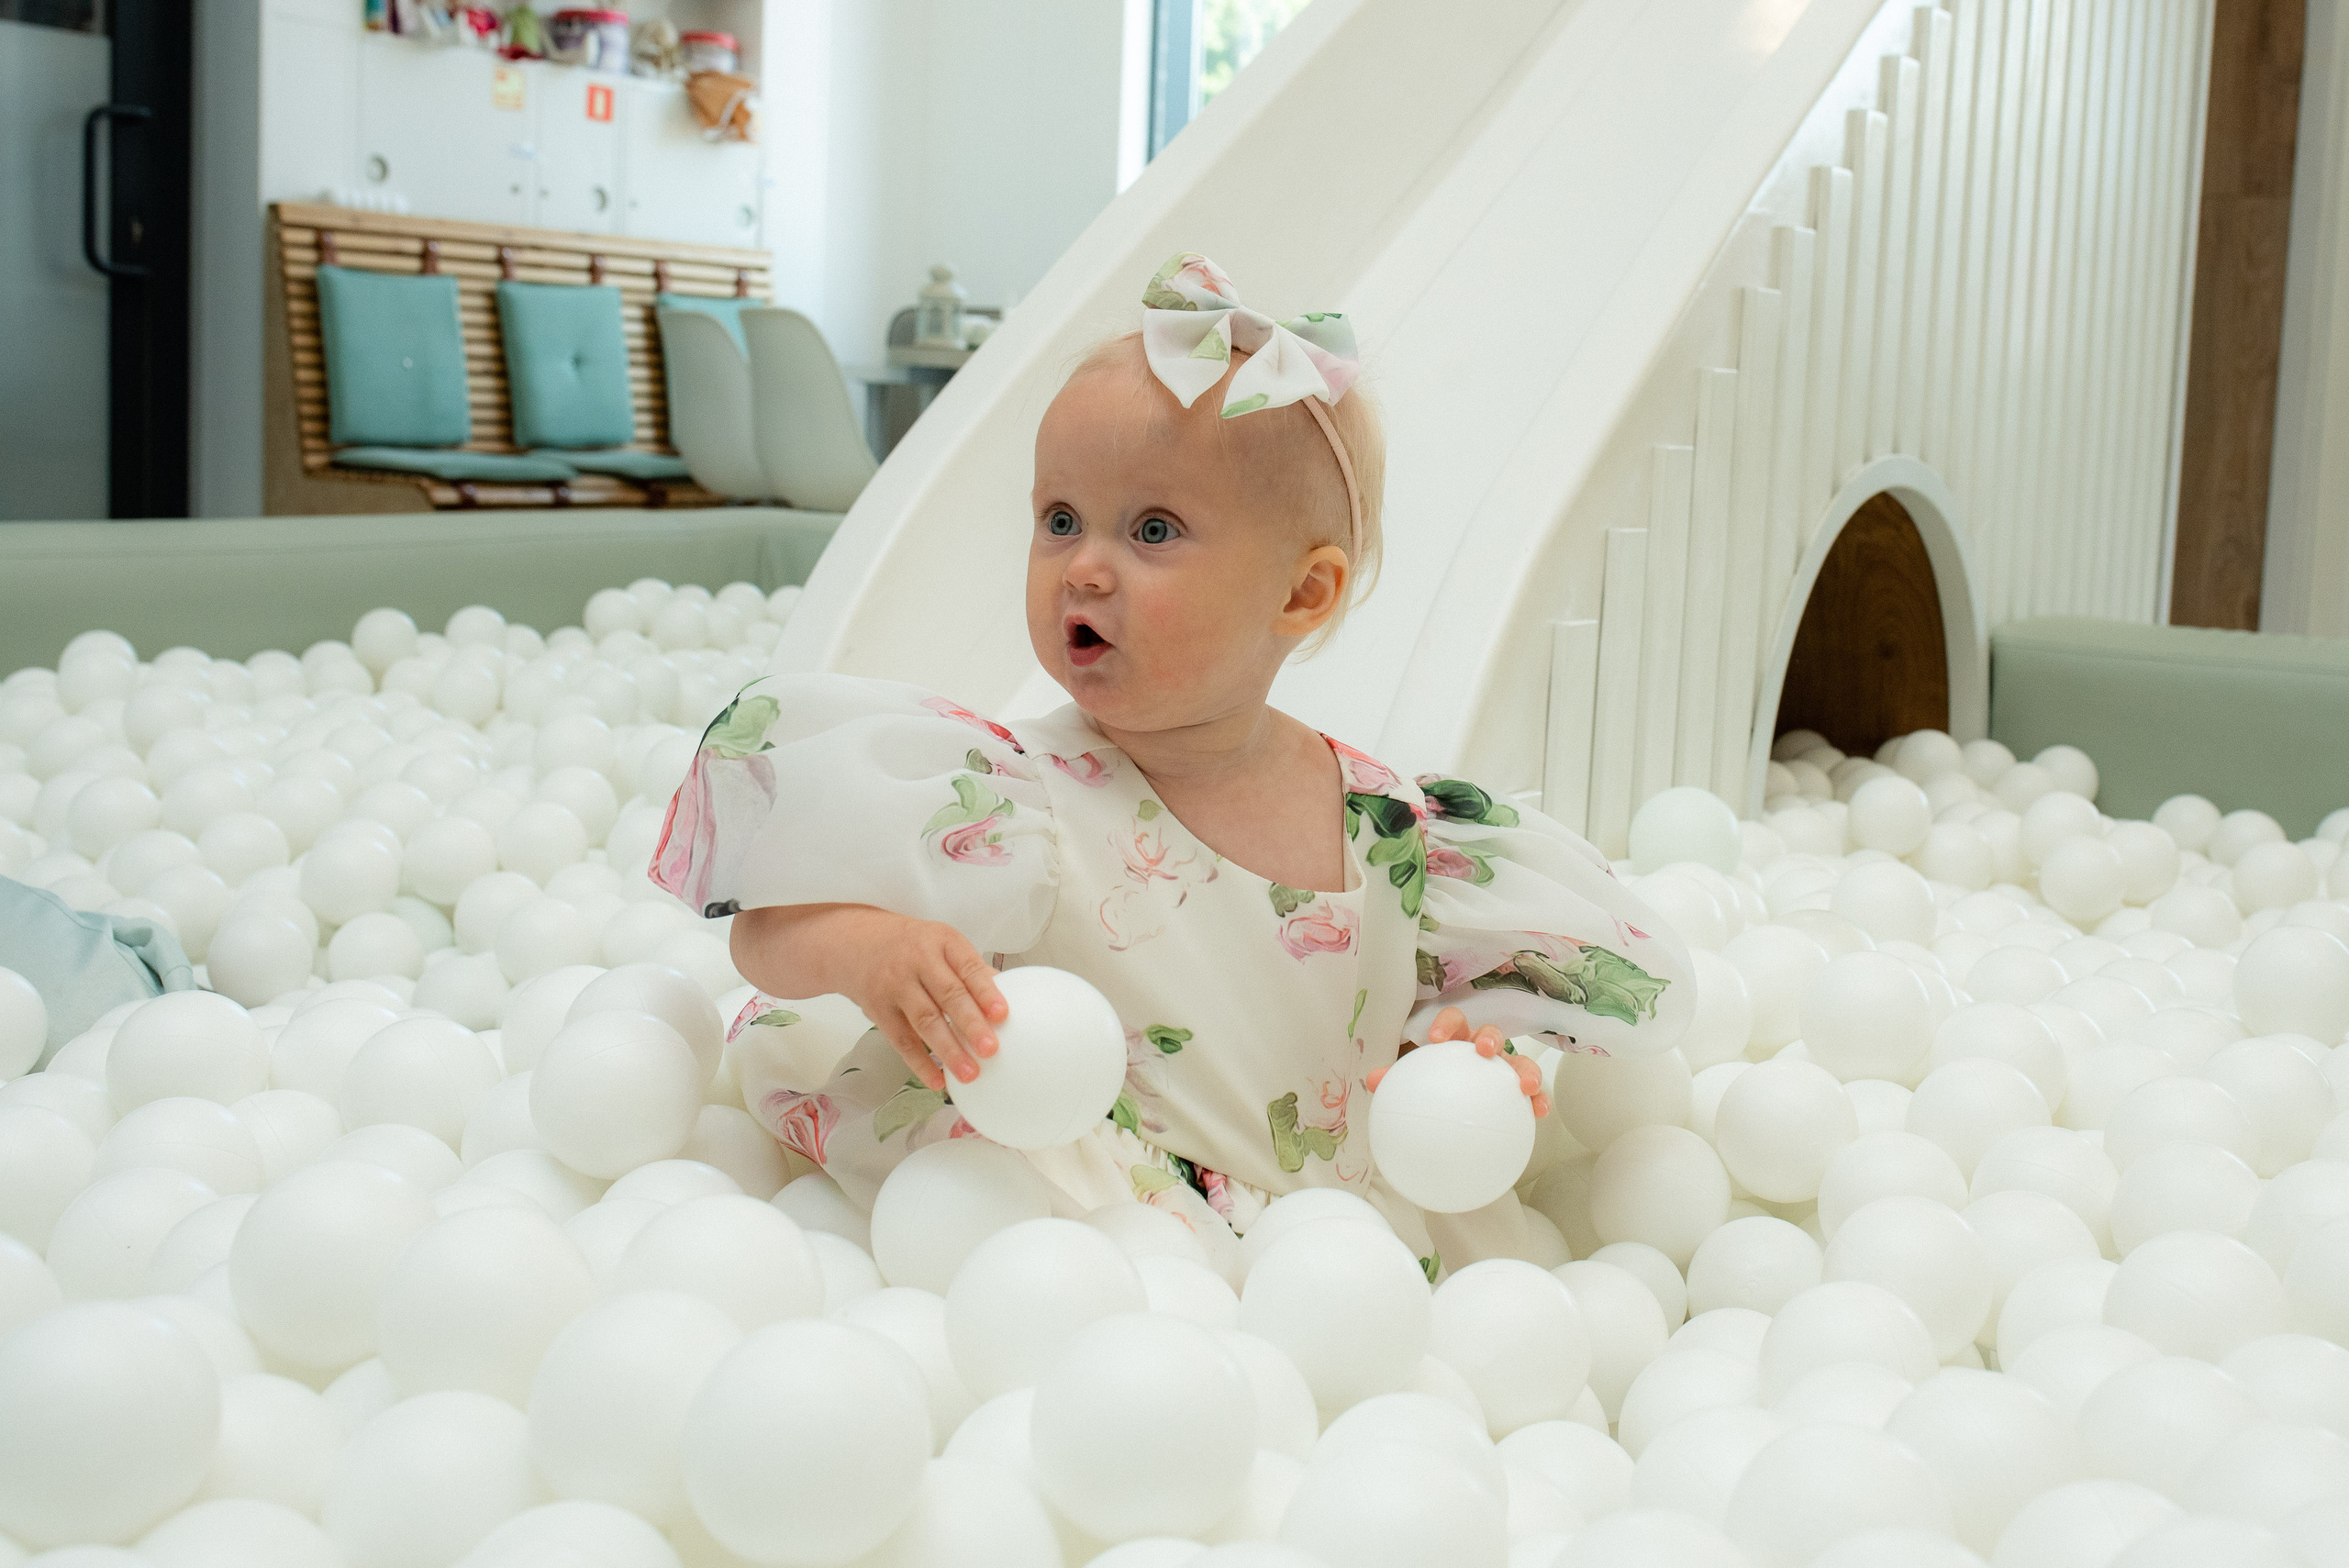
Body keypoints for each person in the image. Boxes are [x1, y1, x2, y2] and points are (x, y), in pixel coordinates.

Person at [652, 252, 1693, 1273]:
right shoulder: (1014, 798)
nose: (1085, 564)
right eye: (1058, 519)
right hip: (1095, 1203)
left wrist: (1454, 1055)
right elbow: (767, 930)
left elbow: (1414, 1017)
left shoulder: (1392, 829)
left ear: (1301, 596)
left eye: (1153, 529)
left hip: (1328, 1237)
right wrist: (871, 954)